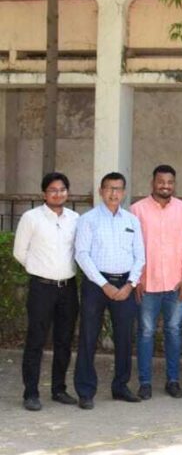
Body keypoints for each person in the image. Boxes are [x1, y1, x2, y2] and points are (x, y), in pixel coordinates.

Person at [73, 171, 145, 409]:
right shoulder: (88, 219)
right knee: (88, 337)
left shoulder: (131, 221)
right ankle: (85, 391)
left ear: (124, 192)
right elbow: (82, 254)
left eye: (118, 189)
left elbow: (140, 256)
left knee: (124, 338)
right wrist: (103, 284)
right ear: (101, 191)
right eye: (109, 188)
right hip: (96, 284)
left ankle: (120, 386)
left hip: (125, 284)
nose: (114, 193)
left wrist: (130, 284)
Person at [130, 165, 182, 400]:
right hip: (146, 285)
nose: (165, 186)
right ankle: (145, 383)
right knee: (146, 333)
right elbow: (131, 248)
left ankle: (173, 381)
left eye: (170, 182)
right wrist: (136, 279)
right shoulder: (137, 210)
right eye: (161, 182)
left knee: (174, 331)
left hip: (176, 285)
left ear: (174, 185)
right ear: (153, 183)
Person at [14, 172, 80, 411]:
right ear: (44, 193)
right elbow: (19, 252)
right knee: (36, 340)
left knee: (64, 340)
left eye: (62, 190)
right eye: (53, 190)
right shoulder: (31, 218)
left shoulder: (75, 218)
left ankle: (59, 389)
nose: (58, 194)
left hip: (68, 288)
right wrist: (39, 268)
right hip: (41, 287)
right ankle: (31, 393)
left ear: (67, 192)